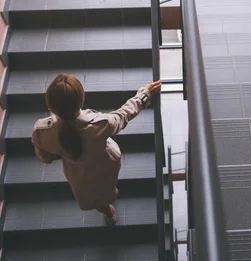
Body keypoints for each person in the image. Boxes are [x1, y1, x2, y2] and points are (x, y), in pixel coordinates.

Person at [32, 73, 162, 226]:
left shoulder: (41, 131)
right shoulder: (100, 124)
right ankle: (108, 206)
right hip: (105, 164)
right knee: (107, 185)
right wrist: (143, 95)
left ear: (51, 105)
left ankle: (107, 211)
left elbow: (44, 157)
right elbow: (123, 114)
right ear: (81, 100)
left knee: (93, 194)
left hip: (77, 173)